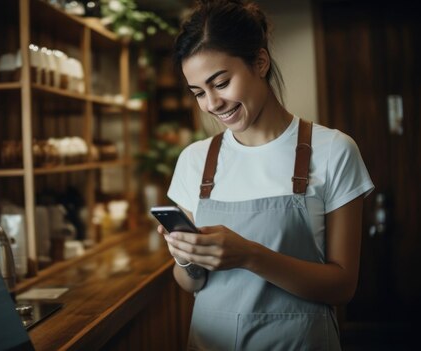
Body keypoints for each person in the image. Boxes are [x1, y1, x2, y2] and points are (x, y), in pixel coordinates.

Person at [158, 0, 374, 349]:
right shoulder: (194, 161)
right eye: (198, 92)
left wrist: (250, 255)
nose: (212, 104)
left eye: (221, 82)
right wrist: (186, 257)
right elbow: (190, 283)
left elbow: (342, 287)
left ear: (260, 62)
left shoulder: (334, 150)